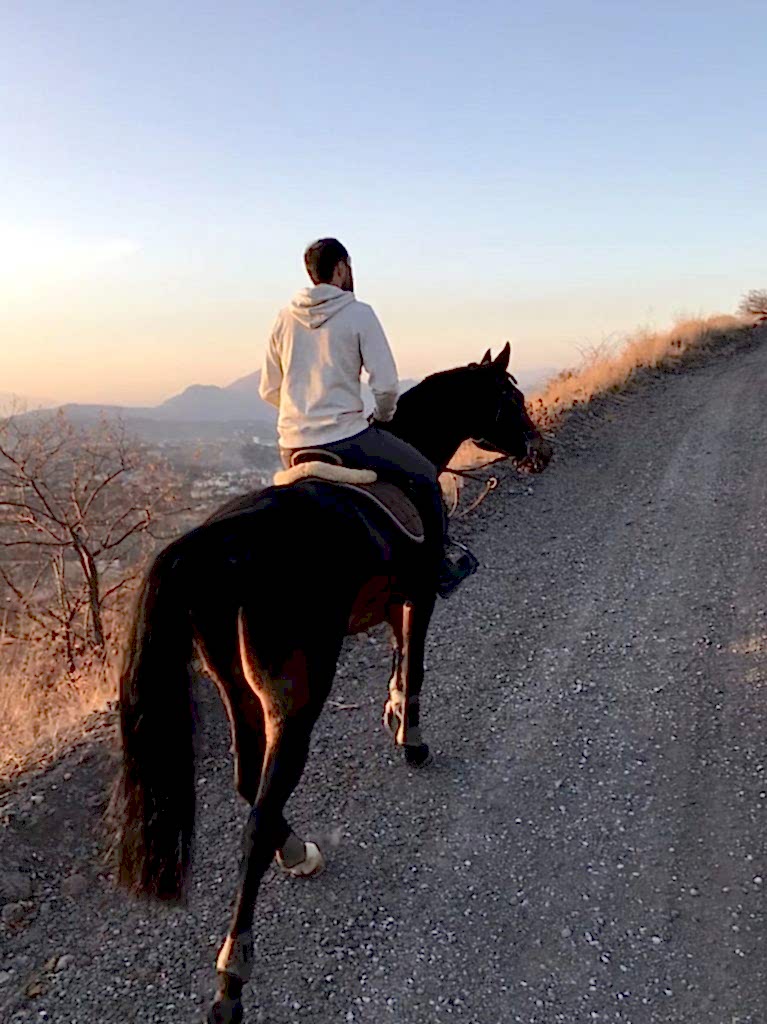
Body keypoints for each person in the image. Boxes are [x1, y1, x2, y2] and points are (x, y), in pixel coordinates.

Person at [259, 237, 460, 592]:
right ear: (340, 268)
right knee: (426, 477)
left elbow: (268, 389)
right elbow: (386, 386)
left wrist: (303, 416)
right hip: (348, 440)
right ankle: (438, 565)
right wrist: (382, 417)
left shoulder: (284, 318)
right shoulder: (359, 313)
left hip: (292, 447)